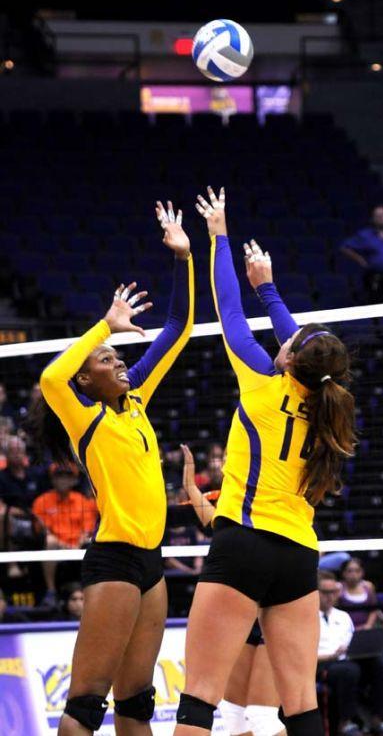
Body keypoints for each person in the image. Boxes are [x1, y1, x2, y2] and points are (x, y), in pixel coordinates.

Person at [173, 189, 356, 736]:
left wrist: (220, 235)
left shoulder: (260, 382)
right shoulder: (332, 410)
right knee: (300, 707)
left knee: (199, 698)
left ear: (289, 357)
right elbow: (308, 350)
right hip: (299, 556)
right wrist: (270, 289)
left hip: (244, 544)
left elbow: (228, 308)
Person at [32, 200, 194, 736]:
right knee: (84, 707)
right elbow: (52, 379)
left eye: (119, 358)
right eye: (107, 361)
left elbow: (179, 324)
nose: (120, 363)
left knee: (136, 705)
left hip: (153, 563)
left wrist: (183, 257)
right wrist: (103, 326)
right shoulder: (86, 417)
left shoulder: (137, 401)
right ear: (88, 379)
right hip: (115, 561)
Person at [180, 443, 286, 736]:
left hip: (272, 609)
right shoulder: (232, 500)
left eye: (229, 455)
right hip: (239, 610)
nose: (225, 461)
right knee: (234, 714)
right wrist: (189, 483)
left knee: (261, 717)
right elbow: (213, 522)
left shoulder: (268, 490)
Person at [317, 571, 383, 736]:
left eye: (333, 592)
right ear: (315, 593)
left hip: (348, 660)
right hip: (322, 664)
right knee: (350, 670)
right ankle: (346, 723)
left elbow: (353, 642)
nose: (329, 597)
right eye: (325, 592)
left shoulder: (343, 616)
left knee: (382, 665)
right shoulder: (306, 618)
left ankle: (378, 719)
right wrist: (331, 656)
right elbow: (303, 656)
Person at [32, 461, 97, 604]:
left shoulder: (82, 501)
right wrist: (63, 544)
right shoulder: (41, 501)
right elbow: (42, 531)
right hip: (56, 546)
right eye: (59, 475)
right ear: (52, 479)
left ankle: (92, 593)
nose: (63, 479)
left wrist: (78, 543)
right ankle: (51, 591)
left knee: (91, 542)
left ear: (74, 480)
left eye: (68, 475)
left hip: (79, 546)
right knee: (50, 541)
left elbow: (87, 530)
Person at [340, 205, 383, 304]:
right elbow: (345, 247)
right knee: (376, 306)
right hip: (374, 278)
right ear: (372, 219)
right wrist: (360, 259)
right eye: (378, 215)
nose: (381, 217)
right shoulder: (364, 235)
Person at [338, 557, 378, 630]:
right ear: (343, 573)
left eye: (357, 571)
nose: (353, 574)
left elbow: (374, 610)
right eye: (349, 571)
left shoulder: (369, 586)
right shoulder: (338, 588)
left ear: (362, 572)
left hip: (366, 629)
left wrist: (368, 625)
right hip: (344, 629)